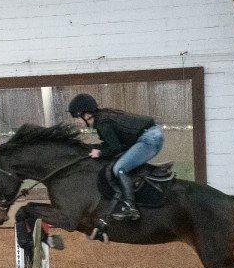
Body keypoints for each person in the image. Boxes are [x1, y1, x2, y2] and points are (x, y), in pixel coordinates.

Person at [68, 93, 164, 221]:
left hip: (149, 139)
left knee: (119, 168)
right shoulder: (102, 118)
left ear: (86, 115)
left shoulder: (102, 123)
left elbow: (115, 148)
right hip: (150, 135)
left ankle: (130, 206)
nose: (76, 121)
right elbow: (114, 144)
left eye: (76, 117)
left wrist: (100, 153)